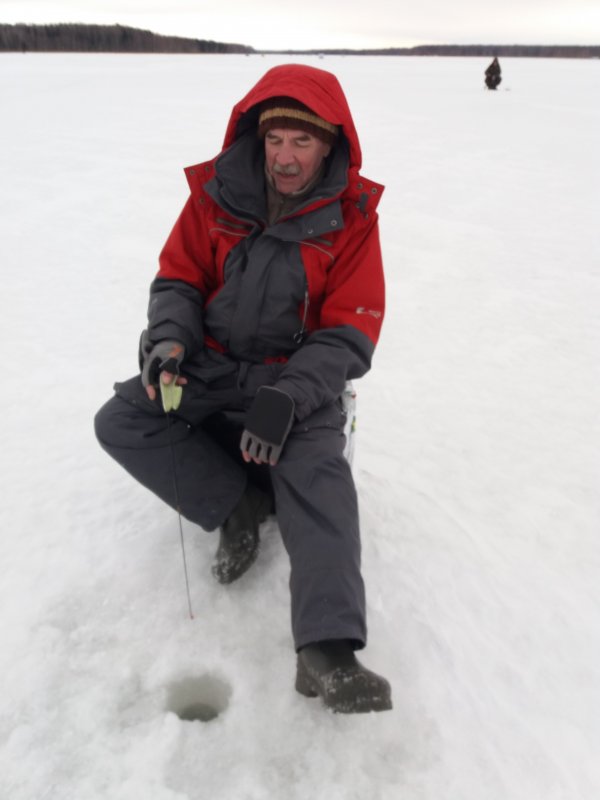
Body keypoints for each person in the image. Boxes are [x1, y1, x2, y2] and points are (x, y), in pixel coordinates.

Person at [94, 63, 392, 714]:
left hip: (294, 378)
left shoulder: (352, 218)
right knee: (123, 420)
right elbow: (179, 279)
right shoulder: (215, 197)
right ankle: (236, 506)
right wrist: (170, 343)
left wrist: (290, 395)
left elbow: (350, 328)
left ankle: (327, 650)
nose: (285, 156)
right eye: (275, 139)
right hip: (212, 365)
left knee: (319, 478)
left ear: (329, 145)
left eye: (302, 142)